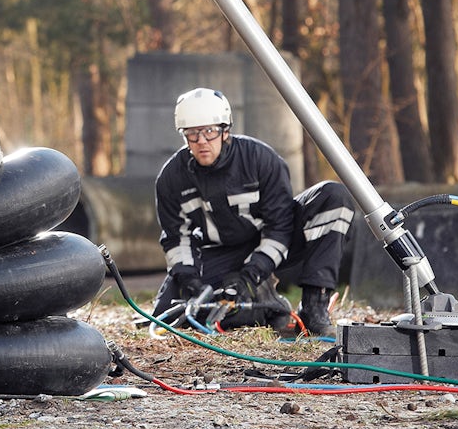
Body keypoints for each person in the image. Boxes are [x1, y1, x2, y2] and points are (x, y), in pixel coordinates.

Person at [151, 87, 355, 336]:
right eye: (193, 134)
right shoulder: (171, 177)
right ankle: (267, 308)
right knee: (171, 315)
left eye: (210, 131)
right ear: (184, 136)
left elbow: (280, 226)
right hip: (218, 253)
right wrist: (189, 279)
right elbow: (175, 237)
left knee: (333, 196)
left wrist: (251, 274)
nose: (202, 141)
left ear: (225, 131)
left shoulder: (261, 160)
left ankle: (314, 307)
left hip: (275, 242)